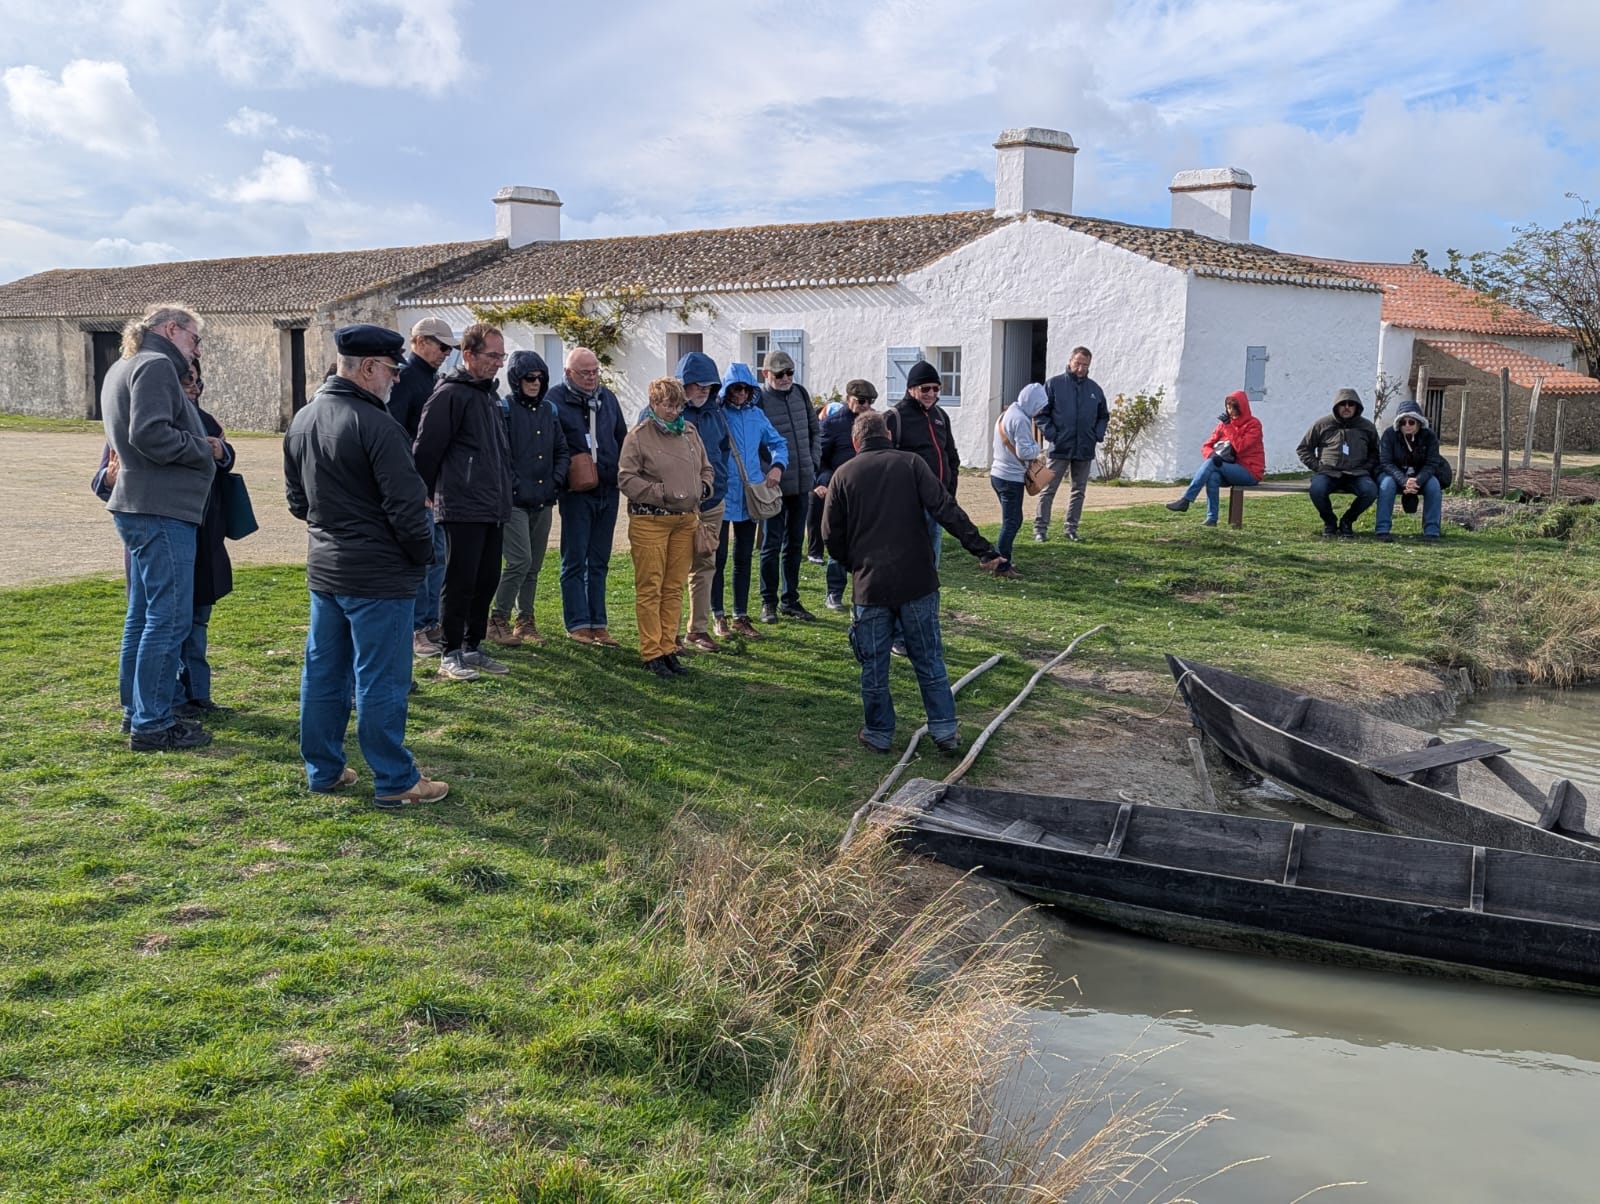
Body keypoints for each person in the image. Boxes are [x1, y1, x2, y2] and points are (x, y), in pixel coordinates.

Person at [283, 324, 447, 807]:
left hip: (328, 567)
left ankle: (324, 769)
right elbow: (409, 507)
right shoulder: (378, 425)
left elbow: (298, 502)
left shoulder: (305, 418)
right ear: (370, 368)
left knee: (325, 672)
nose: (396, 380)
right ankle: (396, 779)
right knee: (381, 678)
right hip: (378, 573)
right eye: (393, 370)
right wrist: (423, 555)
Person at [824, 409, 1017, 754]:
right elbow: (947, 509)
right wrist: (984, 551)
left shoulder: (843, 474)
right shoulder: (912, 464)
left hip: (870, 586)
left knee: (874, 665)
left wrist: (854, 564)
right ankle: (944, 730)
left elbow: (830, 536)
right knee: (929, 659)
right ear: (888, 435)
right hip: (917, 580)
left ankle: (879, 732)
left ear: (855, 442)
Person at [100, 303, 222, 752]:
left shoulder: (126, 365)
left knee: (143, 617)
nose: (196, 349)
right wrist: (202, 448)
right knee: (166, 620)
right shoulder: (154, 366)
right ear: (171, 329)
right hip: (160, 507)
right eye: (194, 338)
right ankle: (152, 722)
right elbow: (149, 435)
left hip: (143, 504)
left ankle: (137, 711)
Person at [413, 323, 514, 681]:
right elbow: (426, 448)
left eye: (502, 355)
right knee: (459, 580)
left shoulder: (488, 395)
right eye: (492, 355)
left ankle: (473, 645)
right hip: (461, 504)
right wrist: (423, 492)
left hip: (493, 504)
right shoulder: (450, 394)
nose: (498, 363)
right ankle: (450, 651)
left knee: (487, 579)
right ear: (468, 355)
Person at [617, 377, 714, 678]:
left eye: (678, 405)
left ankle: (668, 647)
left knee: (673, 587)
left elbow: (706, 467)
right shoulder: (639, 436)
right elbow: (626, 478)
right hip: (651, 521)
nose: (674, 411)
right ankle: (651, 652)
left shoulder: (689, 431)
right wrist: (662, 493)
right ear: (654, 404)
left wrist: (703, 488)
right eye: (668, 405)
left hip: (685, 520)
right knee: (650, 587)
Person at [487, 350, 569, 644]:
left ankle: (526, 621)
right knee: (519, 560)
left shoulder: (549, 411)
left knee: (533, 564)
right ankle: (498, 618)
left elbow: (561, 450)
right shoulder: (504, 408)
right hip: (515, 501)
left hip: (543, 499)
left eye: (540, 377)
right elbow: (499, 454)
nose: (535, 382)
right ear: (516, 379)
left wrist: (555, 481)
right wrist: (512, 486)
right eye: (528, 377)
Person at [551, 347, 629, 646]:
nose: (592, 377)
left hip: (608, 488)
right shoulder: (555, 400)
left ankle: (599, 622)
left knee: (599, 560)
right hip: (576, 491)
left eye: (595, 371)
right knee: (574, 558)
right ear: (569, 373)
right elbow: (554, 443)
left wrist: (622, 471)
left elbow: (621, 436)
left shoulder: (607, 398)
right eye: (585, 372)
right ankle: (577, 623)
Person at [388, 317, 456, 658]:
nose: (446, 353)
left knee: (438, 557)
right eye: (441, 346)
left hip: (436, 484)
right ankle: (417, 627)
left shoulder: (432, 379)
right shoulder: (405, 379)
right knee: (423, 557)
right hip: (418, 487)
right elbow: (398, 434)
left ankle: (429, 623)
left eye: (448, 348)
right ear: (420, 341)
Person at [712, 362, 787, 639]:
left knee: (743, 557)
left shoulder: (757, 416)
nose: (740, 393)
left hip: (749, 496)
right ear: (726, 390)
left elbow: (779, 443)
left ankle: (740, 616)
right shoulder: (716, 415)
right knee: (717, 559)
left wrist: (778, 467)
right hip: (720, 494)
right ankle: (717, 615)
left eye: (745, 388)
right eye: (735, 388)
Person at [757, 349, 820, 623]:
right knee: (771, 544)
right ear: (765, 374)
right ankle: (768, 602)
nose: (785, 378)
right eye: (779, 374)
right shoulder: (758, 399)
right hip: (775, 485)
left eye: (790, 373)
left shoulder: (801, 394)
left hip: (802, 481)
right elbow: (755, 442)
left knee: (795, 543)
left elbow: (814, 430)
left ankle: (790, 599)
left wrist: (813, 461)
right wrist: (767, 472)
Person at [675, 350, 730, 652]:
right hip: (678, 505)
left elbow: (721, 453)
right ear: (683, 384)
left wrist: (719, 487)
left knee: (705, 564)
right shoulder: (666, 413)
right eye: (698, 384)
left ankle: (697, 629)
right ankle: (668, 632)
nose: (704, 390)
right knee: (674, 568)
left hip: (712, 503)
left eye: (709, 384)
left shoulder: (715, 414)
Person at [886, 361, 961, 565]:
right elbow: (882, 461)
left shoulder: (941, 416)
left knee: (931, 558)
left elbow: (951, 456)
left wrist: (949, 491)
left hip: (937, 499)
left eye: (936, 388)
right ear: (911, 389)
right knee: (905, 556)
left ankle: (929, 594)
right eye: (925, 388)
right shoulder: (894, 417)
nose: (931, 393)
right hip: (908, 501)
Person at [1033, 346, 1109, 542]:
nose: (1081, 368)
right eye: (1078, 363)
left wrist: (1096, 435)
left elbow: (1103, 416)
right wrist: (1053, 435)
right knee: (1048, 489)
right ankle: (1040, 529)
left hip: (1084, 448)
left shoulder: (1095, 389)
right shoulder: (1054, 384)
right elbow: (1041, 414)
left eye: (1085, 365)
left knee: (1078, 491)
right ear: (1070, 361)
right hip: (1059, 448)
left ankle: (1071, 528)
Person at [815, 379, 877, 609]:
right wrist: (824, 482)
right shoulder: (832, 424)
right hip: (840, 491)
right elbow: (819, 459)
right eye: (861, 401)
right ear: (848, 398)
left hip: (870, 491)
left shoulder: (874, 422)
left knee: (870, 544)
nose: (866, 405)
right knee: (838, 543)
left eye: (870, 402)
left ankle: (867, 592)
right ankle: (834, 592)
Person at [1164, 390, 1265, 526]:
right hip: (1229, 468)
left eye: (1234, 408)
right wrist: (1211, 454)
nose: (1231, 411)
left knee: (1212, 464)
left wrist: (1229, 427)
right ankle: (1212, 518)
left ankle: (1186, 499)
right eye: (1228, 407)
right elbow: (1206, 445)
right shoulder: (1223, 425)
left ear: (1242, 407)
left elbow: (1241, 446)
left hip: (1249, 471)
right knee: (1213, 476)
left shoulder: (1253, 424)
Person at [1298, 387, 1381, 537]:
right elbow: (1304, 449)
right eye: (1343, 404)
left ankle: (1347, 521)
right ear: (1337, 406)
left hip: (1357, 473)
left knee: (1370, 491)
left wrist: (1367, 468)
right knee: (1317, 490)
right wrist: (1318, 467)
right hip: (1328, 472)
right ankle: (1330, 522)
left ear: (1357, 407)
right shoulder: (1322, 424)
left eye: (1351, 404)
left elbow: (1376, 451)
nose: (1347, 407)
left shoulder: (1367, 427)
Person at [1375, 397, 1451, 543]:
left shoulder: (1429, 436)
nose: (1407, 425)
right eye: (1403, 422)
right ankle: (1382, 530)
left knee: (1434, 486)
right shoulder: (1389, 435)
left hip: (1421, 475)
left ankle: (1431, 532)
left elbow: (1432, 462)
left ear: (1419, 423)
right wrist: (1404, 481)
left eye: (1411, 422)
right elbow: (1386, 462)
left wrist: (1417, 480)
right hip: (1394, 474)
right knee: (1386, 485)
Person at [990, 382, 1048, 561]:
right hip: (1010, 478)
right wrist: (1037, 447)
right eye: (1039, 406)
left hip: (997, 474)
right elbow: (1024, 452)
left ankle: (998, 557)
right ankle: (1001, 562)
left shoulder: (1006, 413)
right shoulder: (1021, 419)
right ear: (1033, 403)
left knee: (1012, 520)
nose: (1039, 411)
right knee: (1012, 522)